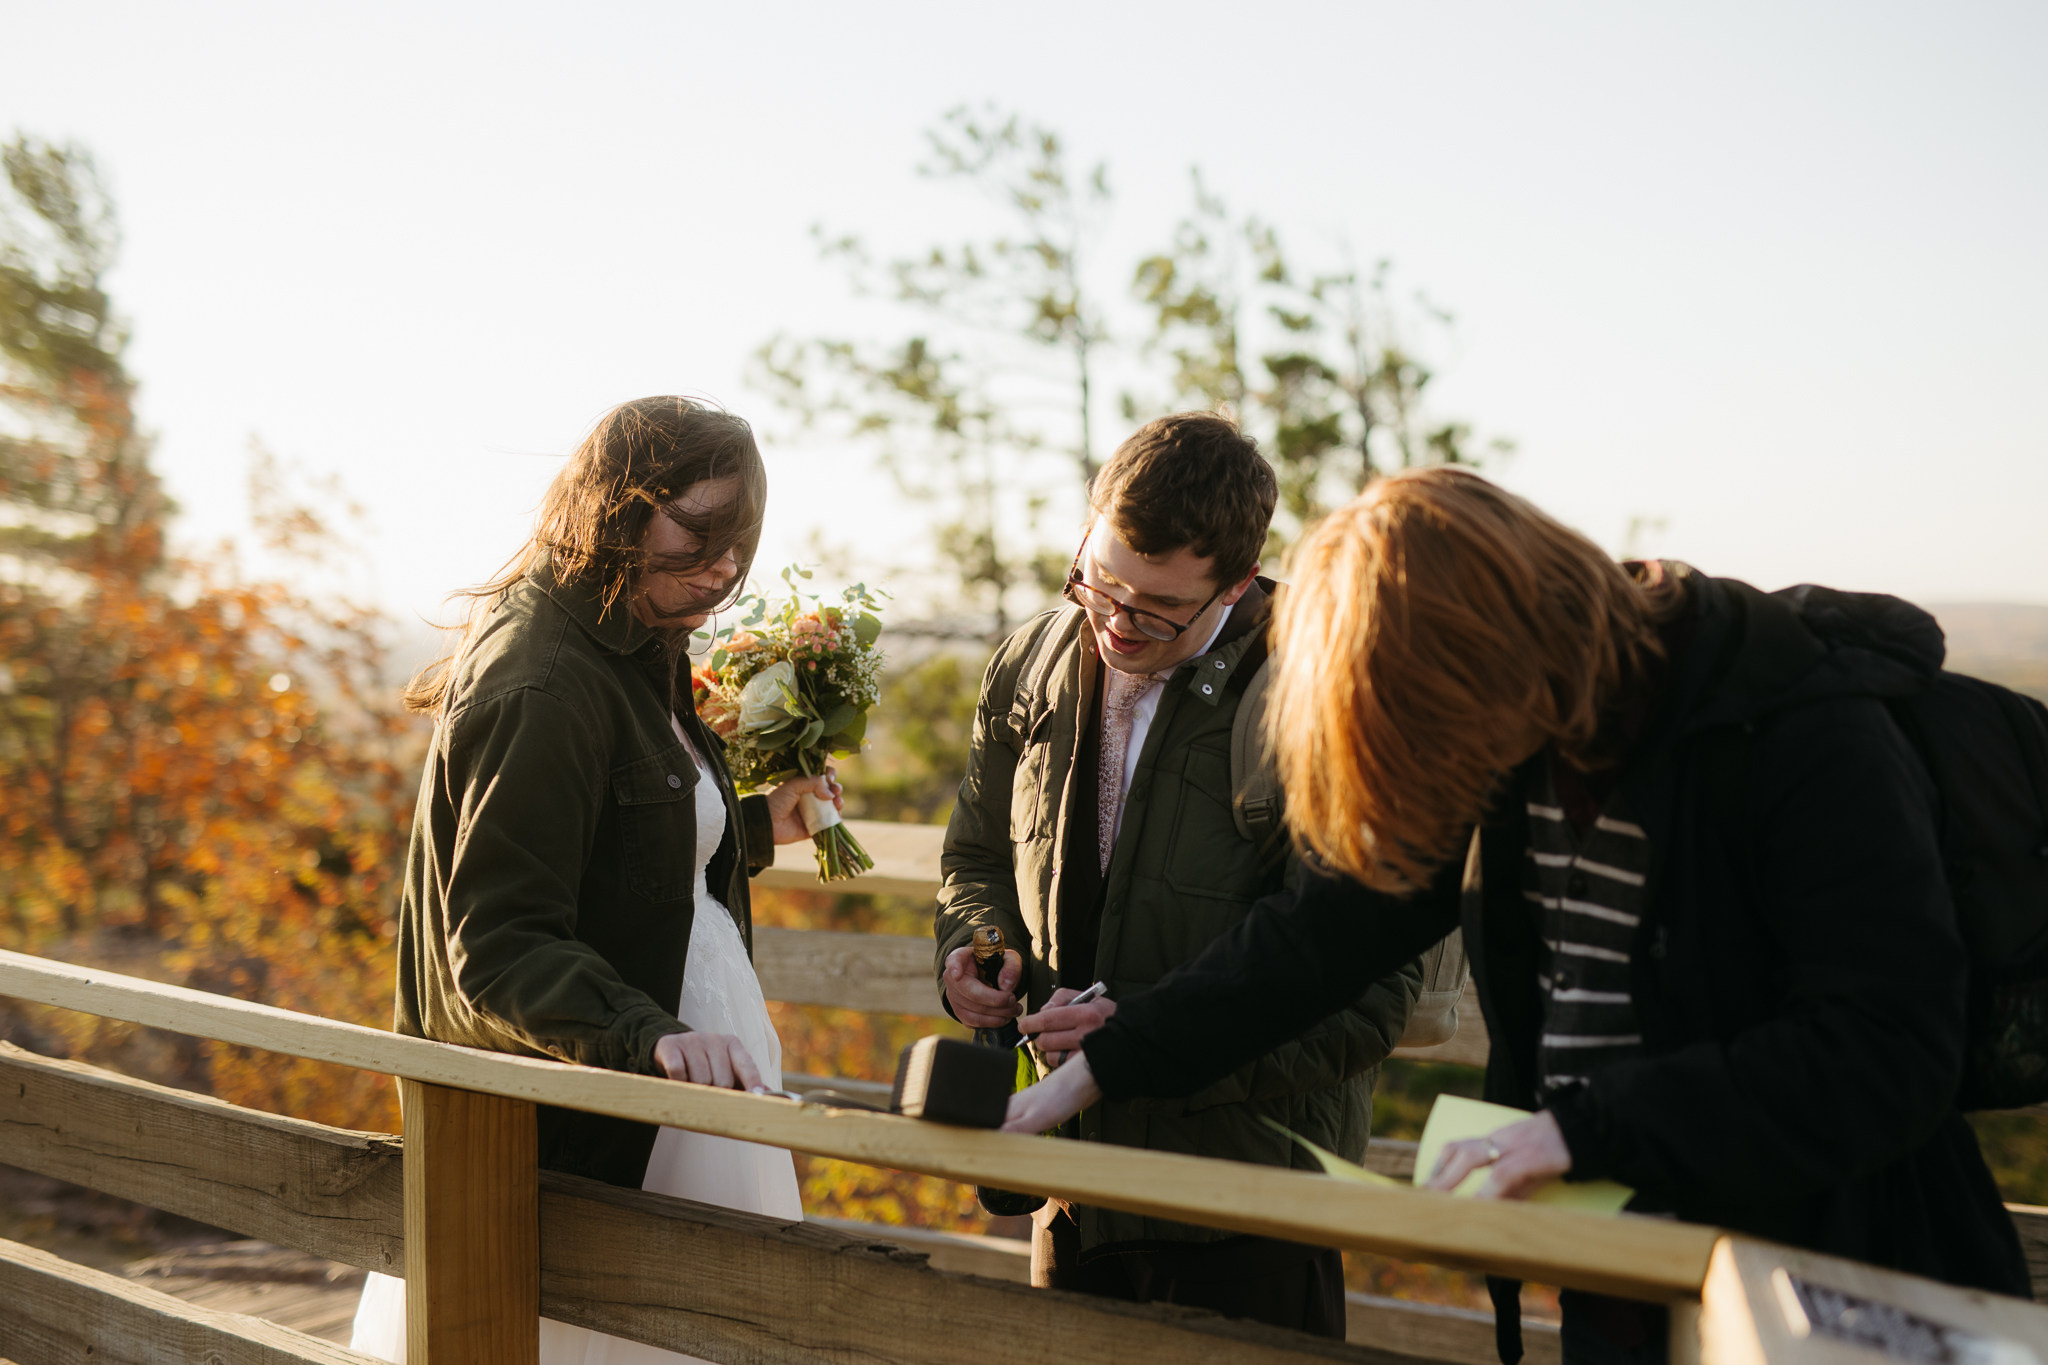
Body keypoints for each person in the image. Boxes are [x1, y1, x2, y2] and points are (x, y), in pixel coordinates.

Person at [1006, 468, 2031, 1364]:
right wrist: (1105, 1065)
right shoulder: (1519, 727)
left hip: (1832, 1287)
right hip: (1614, 1282)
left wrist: (1579, 1131)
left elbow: (1889, 1050)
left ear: (1483, 660)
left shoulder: (1799, 734)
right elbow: (1321, 935)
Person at [350, 397, 838, 1364]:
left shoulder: (637, 628)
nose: (725, 568)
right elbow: (496, 945)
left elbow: (616, 845)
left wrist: (749, 826)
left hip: (678, 1074)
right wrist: (650, 1036)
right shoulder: (543, 680)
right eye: (699, 534)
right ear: (615, 508)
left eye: (738, 541)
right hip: (608, 1100)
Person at [936, 411, 1421, 1339]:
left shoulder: (1329, 699)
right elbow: (977, 857)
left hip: (1247, 1204)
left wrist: (1150, 1046)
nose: (1115, 624)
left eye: (1154, 609)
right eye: (1098, 580)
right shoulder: (1030, 662)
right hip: (1070, 1188)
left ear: (1237, 584)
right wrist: (980, 946)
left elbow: (1371, 994)